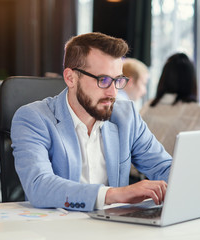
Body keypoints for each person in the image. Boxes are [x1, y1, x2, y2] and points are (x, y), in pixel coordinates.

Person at [11, 32, 172, 212]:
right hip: (58, 228)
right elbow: (39, 186)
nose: (112, 93)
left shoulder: (126, 115)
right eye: (103, 80)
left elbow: (164, 167)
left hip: (114, 227)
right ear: (70, 78)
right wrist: (114, 194)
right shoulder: (33, 118)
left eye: (118, 80)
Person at [140, 53, 200, 156]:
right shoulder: (195, 111)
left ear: (163, 78)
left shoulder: (148, 106)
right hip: (173, 170)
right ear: (190, 81)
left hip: (135, 170)